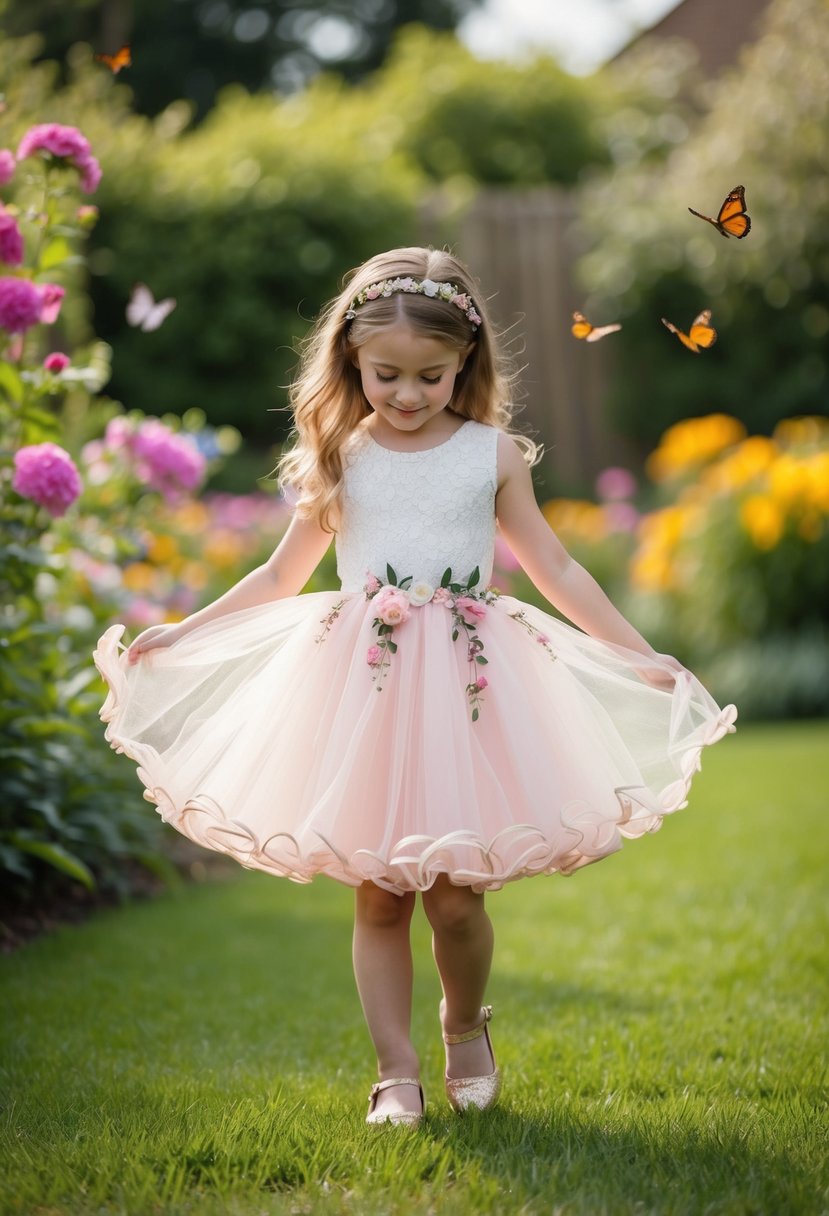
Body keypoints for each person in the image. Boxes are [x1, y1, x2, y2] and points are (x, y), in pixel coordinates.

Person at [94, 246, 736, 1128]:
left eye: (429, 376)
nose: (405, 394)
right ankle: (395, 1072)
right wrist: (185, 630)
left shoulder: (490, 454)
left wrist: (635, 652)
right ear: (351, 361)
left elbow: (551, 564)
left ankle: (463, 1022)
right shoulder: (339, 454)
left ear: (464, 362)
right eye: (386, 374)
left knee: (455, 898)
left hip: (469, 687)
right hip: (366, 689)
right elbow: (283, 577)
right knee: (380, 891)